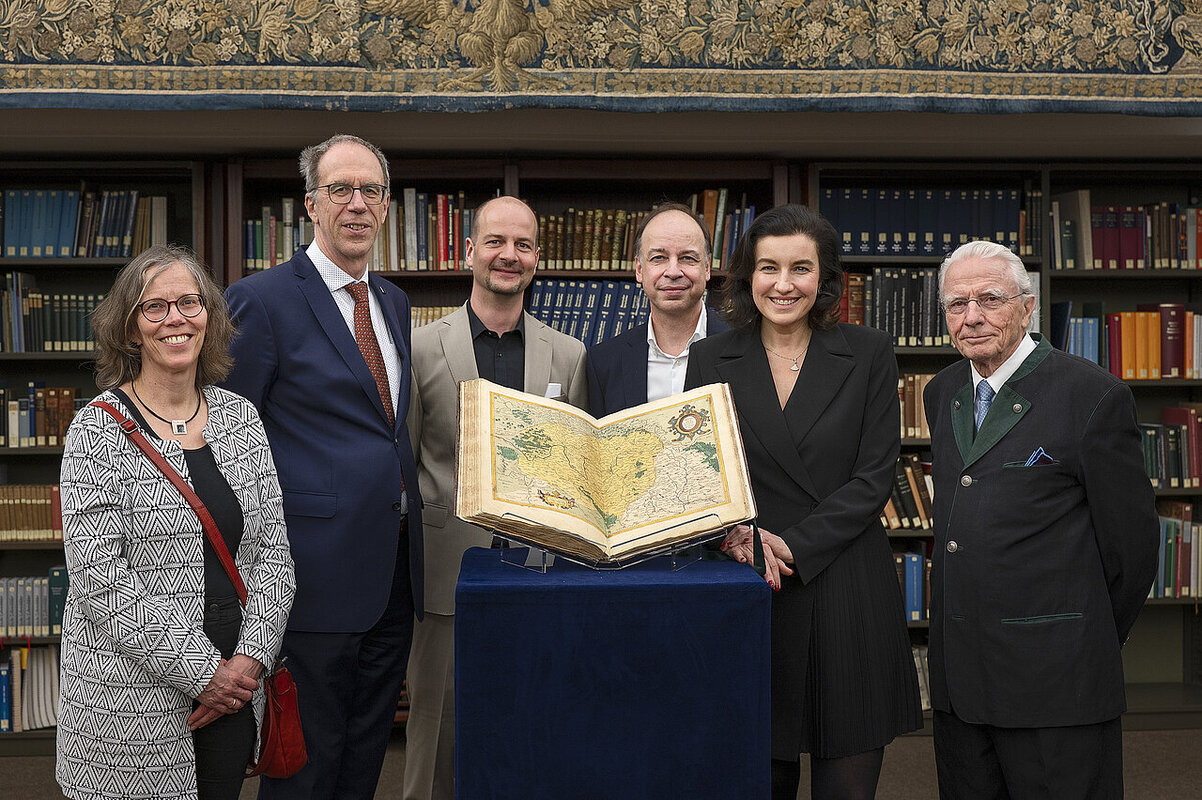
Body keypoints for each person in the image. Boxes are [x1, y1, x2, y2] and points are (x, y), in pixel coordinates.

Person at [684, 204, 922, 800]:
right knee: (760, 776)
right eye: (769, 267)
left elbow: (874, 477)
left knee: (848, 780)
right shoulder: (710, 357)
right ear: (748, 276)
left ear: (825, 278)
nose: (783, 284)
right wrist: (737, 535)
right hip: (752, 585)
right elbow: (699, 472)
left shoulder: (868, 351)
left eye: (801, 268)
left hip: (847, 586)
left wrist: (791, 543)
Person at [222, 134, 423, 800]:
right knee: (305, 768)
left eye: (371, 191)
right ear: (311, 204)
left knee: (364, 760)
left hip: (393, 573)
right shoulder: (261, 300)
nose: (357, 204)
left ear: (387, 206)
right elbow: (229, 442)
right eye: (341, 190)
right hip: (310, 575)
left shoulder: (393, 302)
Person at [56, 245, 295, 800]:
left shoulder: (240, 417)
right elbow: (98, 578)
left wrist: (248, 662)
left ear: (208, 316)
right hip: (130, 696)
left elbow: (273, 554)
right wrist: (203, 672)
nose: (176, 319)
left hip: (237, 682)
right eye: (155, 307)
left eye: (190, 302)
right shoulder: (96, 430)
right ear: (130, 329)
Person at [924, 240, 1160, 800]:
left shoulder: (1093, 395)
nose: (971, 317)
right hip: (962, 680)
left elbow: (1131, 552)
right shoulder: (942, 392)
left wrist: (1080, 636)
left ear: (1028, 307)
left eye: (989, 299)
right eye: (957, 304)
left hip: (1059, 683)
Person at [403, 196, 588, 800]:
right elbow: (407, 462)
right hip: (446, 571)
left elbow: (578, 471)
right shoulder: (419, 348)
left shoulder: (570, 354)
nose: (509, 255)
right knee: (436, 734)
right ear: (469, 252)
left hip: (541, 571)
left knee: (535, 724)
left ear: (537, 258)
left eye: (523, 244)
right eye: (495, 242)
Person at [587, 202, 728, 416]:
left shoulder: (747, 349)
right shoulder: (603, 362)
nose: (673, 272)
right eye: (658, 258)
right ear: (639, 269)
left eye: (687, 258)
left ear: (707, 268)